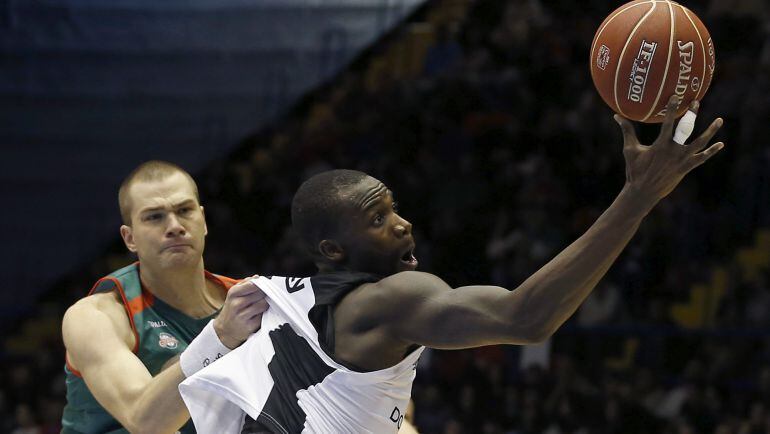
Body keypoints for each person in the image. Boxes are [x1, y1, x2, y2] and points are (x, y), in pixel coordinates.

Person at [179, 96, 725, 433]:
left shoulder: (281, 305)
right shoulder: (389, 300)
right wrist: (638, 197)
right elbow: (525, 319)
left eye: (394, 209)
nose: (402, 224)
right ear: (332, 252)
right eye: (377, 220)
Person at [61, 161, 269, 433]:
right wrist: (220, 337)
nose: (174, 226)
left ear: (203, 221)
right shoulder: (94, 317)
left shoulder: (251, 301)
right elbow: (145, 422)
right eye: (154, 217)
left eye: (184, 211)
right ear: (130, 238)